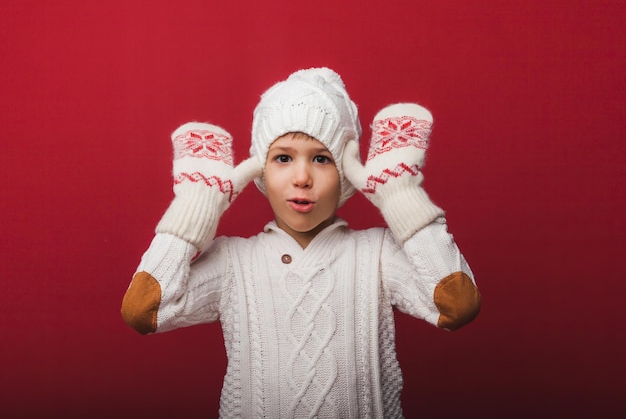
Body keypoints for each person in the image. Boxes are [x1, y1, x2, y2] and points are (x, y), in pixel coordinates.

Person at [121, 67, 481, 418]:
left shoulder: (378, 255)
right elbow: (144, 310)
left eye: (322, 159)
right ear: (259, 169)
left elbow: (458, 306)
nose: (302, 177)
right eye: (282, 158)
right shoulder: (234, 262)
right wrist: (194, 210)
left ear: (347, 173)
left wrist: (401, 197)